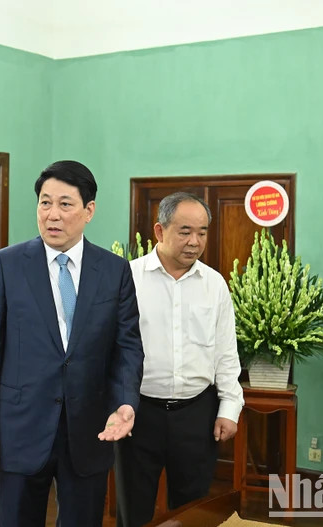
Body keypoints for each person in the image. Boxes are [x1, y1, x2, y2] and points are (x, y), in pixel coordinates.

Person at [0, 160, 144, 527]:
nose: (53, 214)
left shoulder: (114, 271)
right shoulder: (7, 264)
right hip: (20, 427)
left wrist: (125, 402)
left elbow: (127, 348)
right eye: (45, 203)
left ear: (88, 211)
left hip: (89, 428)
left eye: (65, 204)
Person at [114, 192, 244, 527]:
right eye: (185, 231)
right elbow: (111, 350)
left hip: (195, 414)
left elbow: (227, 353)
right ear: (159, 231)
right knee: (134, 510)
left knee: (193, 512)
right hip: (139, 413)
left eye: (202, 232)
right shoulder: (128, 279)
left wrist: (230, 409)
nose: (195, 241)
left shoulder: (214, 284)